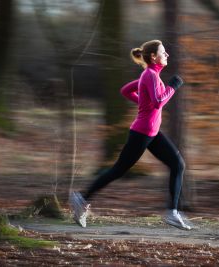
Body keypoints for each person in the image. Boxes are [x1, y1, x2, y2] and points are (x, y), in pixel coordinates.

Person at [69, 40, 191, 230]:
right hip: (142, 133)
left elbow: (126, 90)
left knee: (178, 164)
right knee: (119, 170)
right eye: (164, 52)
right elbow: (159, 101)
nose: (167, 55)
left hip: (152, 132)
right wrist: (173, 87)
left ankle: (172, 212)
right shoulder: (150, 75)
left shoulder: (151, 75)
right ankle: (81, 198)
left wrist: (144, 103)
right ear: (153, 57)